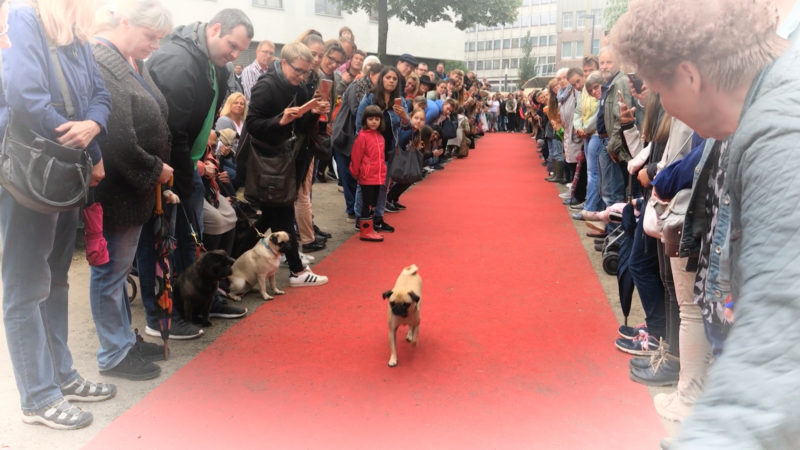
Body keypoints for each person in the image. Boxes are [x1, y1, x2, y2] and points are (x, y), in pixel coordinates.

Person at [613, 0, 800, 447]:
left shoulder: (781, 135)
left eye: (661, 91)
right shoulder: (768, 110)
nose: (670, 112)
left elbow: (778, 346)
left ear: (691, 76)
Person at [0, 0, 115, 430]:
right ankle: (38, 396)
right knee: (26, 287)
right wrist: (80, 136)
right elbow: (26, 98)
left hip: (64, 170)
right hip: (30, 172)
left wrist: (93, 132)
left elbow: (98, 97)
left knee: (57, 279)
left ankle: (61, 376)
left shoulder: (74, 33)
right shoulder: (26, 19)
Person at [145, 8, 253, 336]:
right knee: (161, 242)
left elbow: (201, 115)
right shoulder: (178, 61)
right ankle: (161, 313)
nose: (235, 55)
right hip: (167, 167)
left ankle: (201, 298)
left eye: (239, 50)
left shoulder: (212, 61)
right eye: (232, 46)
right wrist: (178, 175)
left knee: (189, 240)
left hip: (189, 163)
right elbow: (170, 129)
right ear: (215, 28)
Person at [89, 0, 174, 381]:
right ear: (125, 23)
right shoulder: (103, 60)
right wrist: (156, 170)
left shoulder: (127, 59)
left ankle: (122, 340)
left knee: (117, 271)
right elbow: (117, 138)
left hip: (132, 189)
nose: (155, 45)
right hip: (119, 190)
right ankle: (113, 352)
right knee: (110, 275)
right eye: (150, 36)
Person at [243, 41, 329, 287]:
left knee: (272, 216)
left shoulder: (299, 87)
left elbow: (300, 127)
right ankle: (297, 270)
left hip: (284, 159)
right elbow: (253, 125)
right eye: (298, 70)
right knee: (282, 214)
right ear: (283, 63)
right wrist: (279, 122)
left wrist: (312, 113)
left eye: (306, 72)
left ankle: (230, 260)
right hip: (266, 160)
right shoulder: (266, 86)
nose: (302, 76)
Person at [355, 66, 410, 233]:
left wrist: (403, 116)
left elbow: (407, 126)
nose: (391, 81)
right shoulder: (369, 98)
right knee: (364, 185)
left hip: (388, 149)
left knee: (383, 185)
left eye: (395, 79)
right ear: (381, 79)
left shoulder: (400, 101)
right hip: (370, 151)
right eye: (388, 78)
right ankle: (361, 218)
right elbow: (359, 124)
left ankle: (378, 218)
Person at [331, 62, 383, 222]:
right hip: (345, 135)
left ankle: (356, 208)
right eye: (380, 78)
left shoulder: (374, 90)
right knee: (347, 174)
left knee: (355, 174)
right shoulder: (358, 86)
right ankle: (351, 210)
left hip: (354, 137)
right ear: (372, 74)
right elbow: (356, 111)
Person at [349, 105, 386, 242]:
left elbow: (381, 158)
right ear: (365, 120)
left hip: (377, 177)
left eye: (377, 119)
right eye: (371, 119)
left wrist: (382, 174)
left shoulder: (380, 137)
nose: (374, 122)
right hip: (367, 176)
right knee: (367, 204)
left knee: (373, 204)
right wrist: (356, 172)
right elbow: (356, 156)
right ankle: (365, 231)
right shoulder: (362, 136)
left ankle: (369, 228)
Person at [386, 107, 427, 212]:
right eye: (416, 118)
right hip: (396, 157)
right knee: (390, 179)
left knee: (411, 176)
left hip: (405, 158)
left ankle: (393, 198)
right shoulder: (407, 130)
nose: (418, 121)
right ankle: (386, 200)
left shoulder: (417, 133)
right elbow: (399, 143)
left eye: (421, 119)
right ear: (410, 118)